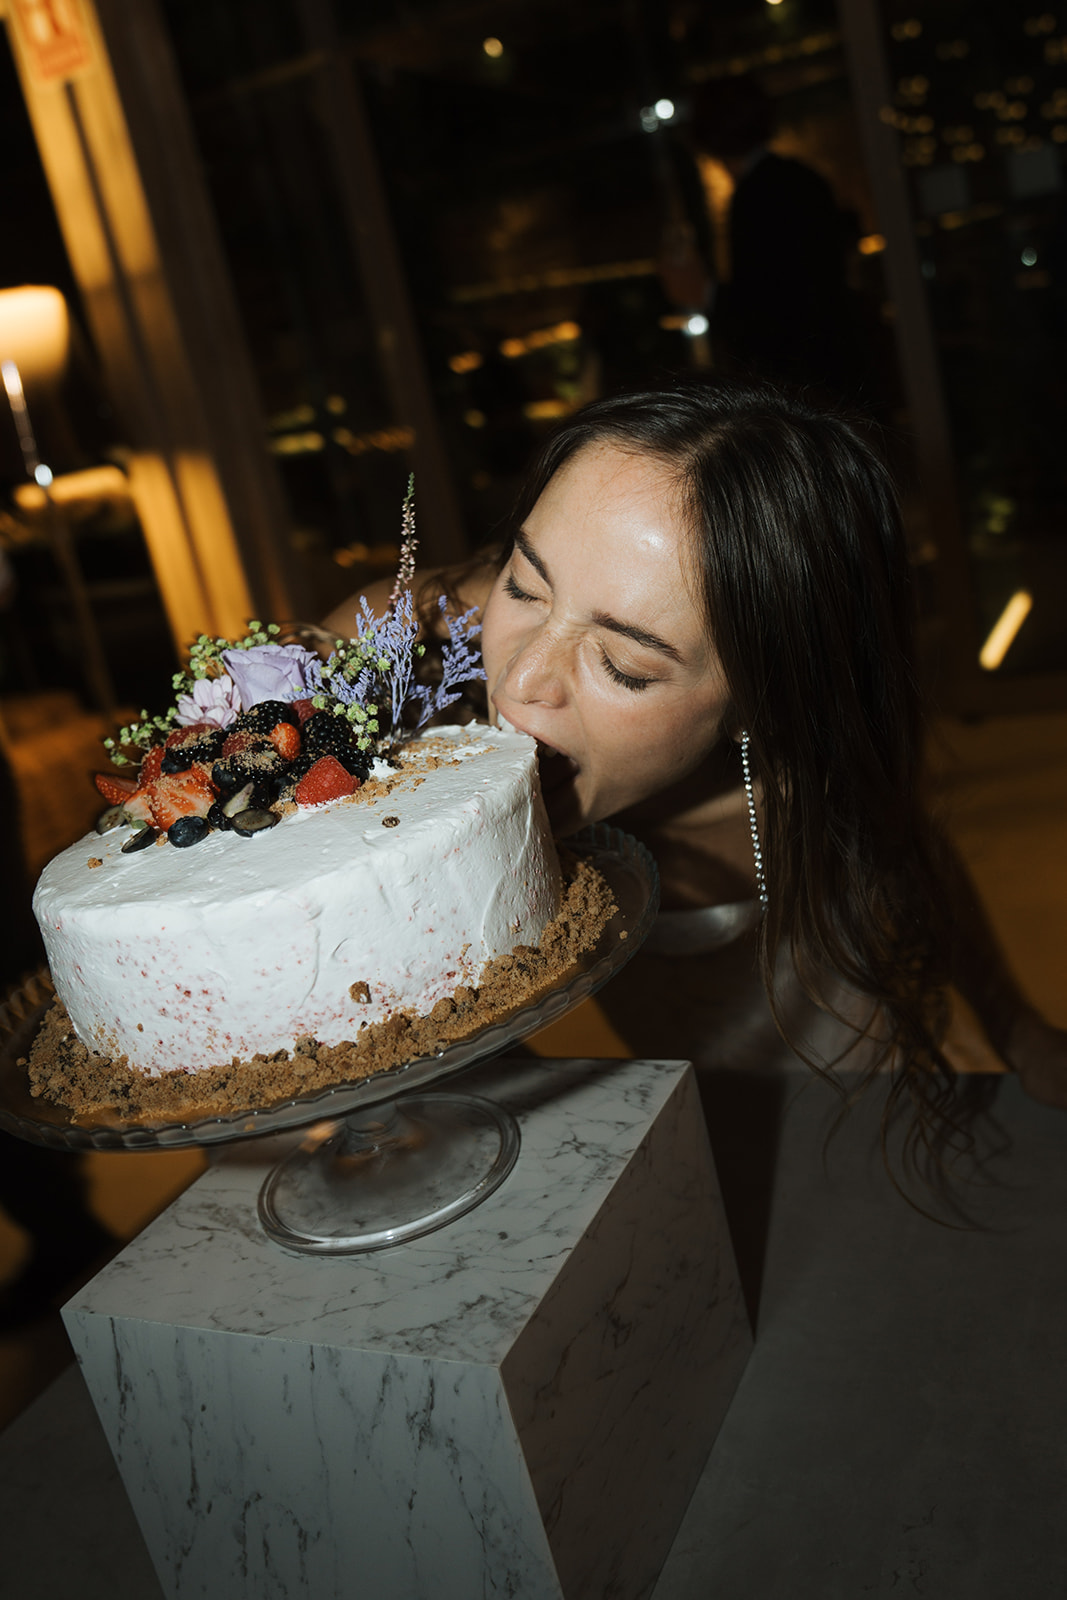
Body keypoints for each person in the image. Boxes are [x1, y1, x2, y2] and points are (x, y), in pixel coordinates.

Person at [324, 377, 1066, 1188]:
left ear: (759, 700)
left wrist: (1016, 1024)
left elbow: (912, 869)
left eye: (624, 664)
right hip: (669, 1131)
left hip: (856, 1096)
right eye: (525, 587)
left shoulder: (798, 789)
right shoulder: (460, 636)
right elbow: (337, 642)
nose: (522, 680)